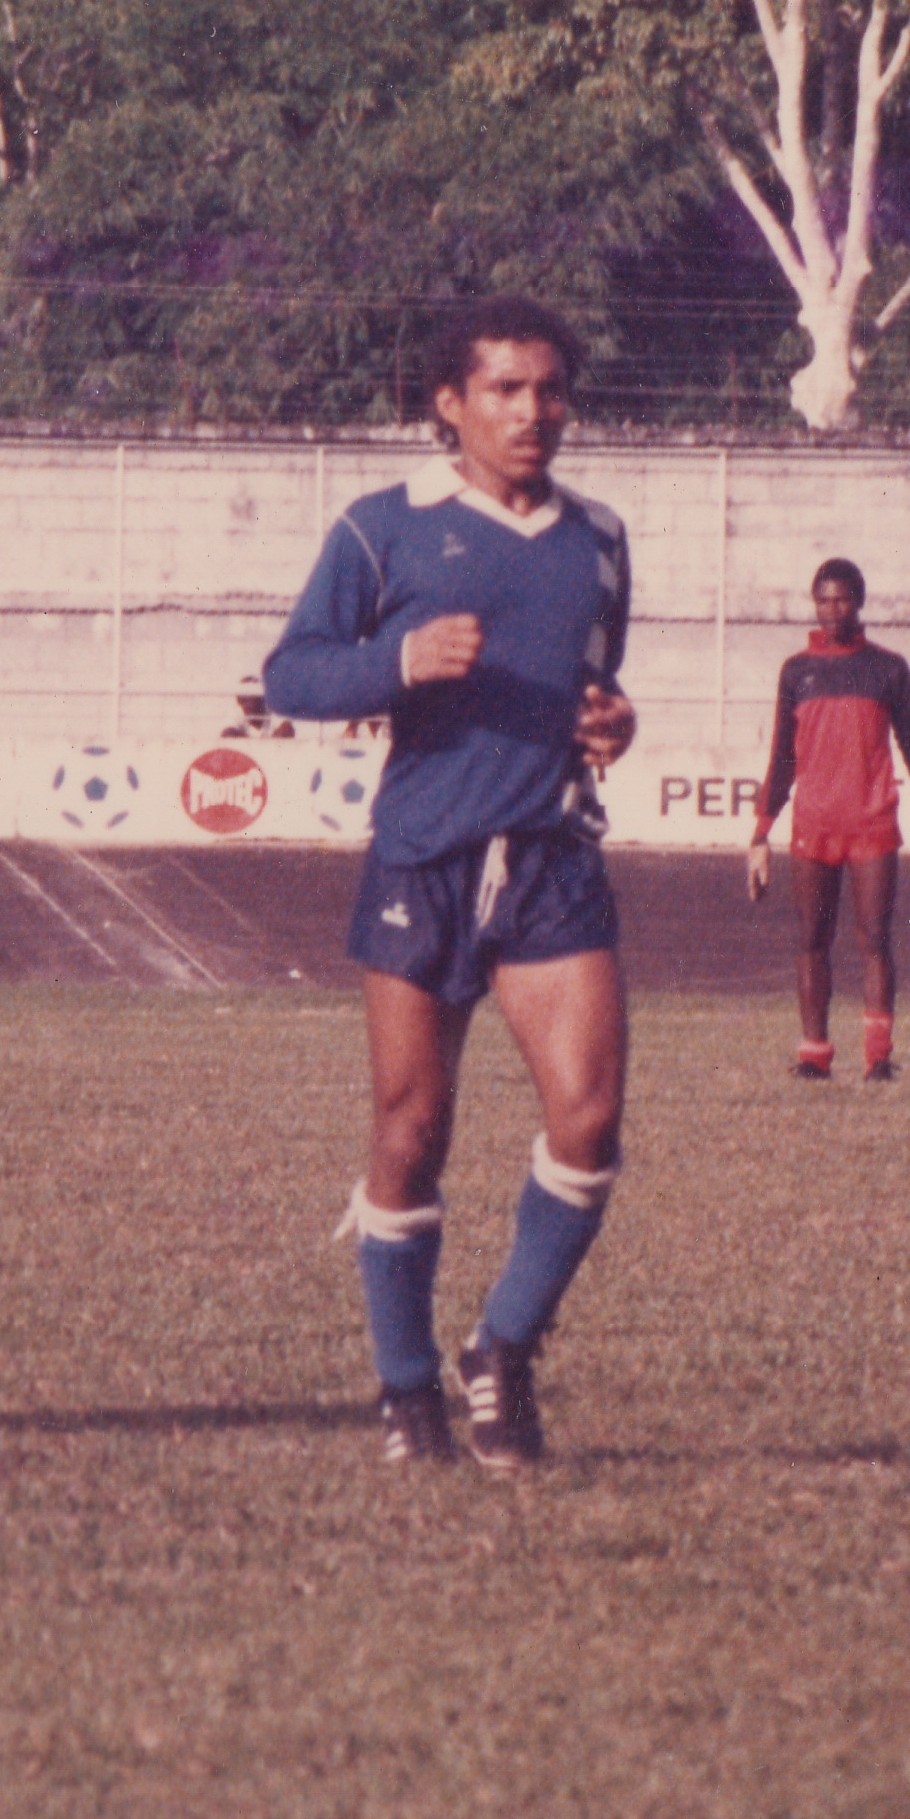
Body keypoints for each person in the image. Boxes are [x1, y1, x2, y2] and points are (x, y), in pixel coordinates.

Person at [263, 297, 637, 1471]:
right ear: (449, 403)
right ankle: (404, 1387)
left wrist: (613, 725)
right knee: (410, 1130)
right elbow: (291, 674)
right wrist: (398, 660)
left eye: (550, 390)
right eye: (505, 390)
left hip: (549, 857)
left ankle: (502, 1347)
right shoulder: (385, 529)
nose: (533, 412)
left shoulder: (600, 538)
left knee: (588, 1118)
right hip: (422, 861)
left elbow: (593, 685)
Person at [745, 556, 910, 1080]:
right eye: (823, 600)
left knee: (875, 940)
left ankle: (877, 1058)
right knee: (811, 942)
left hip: (871, 824)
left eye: (842, 600)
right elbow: (782, 758)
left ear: (859, 602)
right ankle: (814, 1054)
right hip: (814, 825)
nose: (832, 610)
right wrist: (760, 835)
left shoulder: (887, 669)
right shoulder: (797, 672)